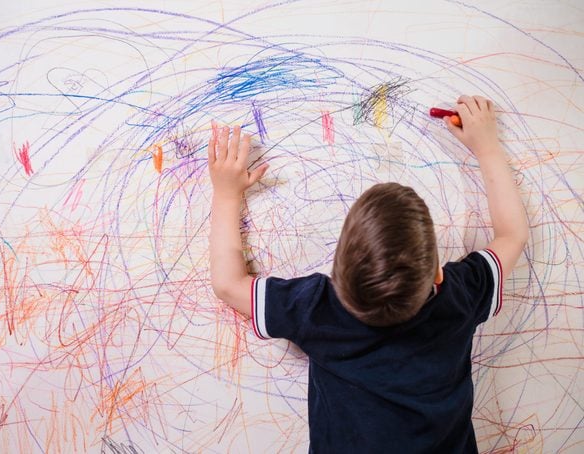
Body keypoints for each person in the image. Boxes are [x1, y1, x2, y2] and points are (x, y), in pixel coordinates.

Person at [207, 95, 529, 453]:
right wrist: (486, 147)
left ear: (337, 274)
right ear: (437, 274)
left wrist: (225, 194)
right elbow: (512, 234)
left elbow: (227, 283)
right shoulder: (458, 299)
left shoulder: (317, 309)